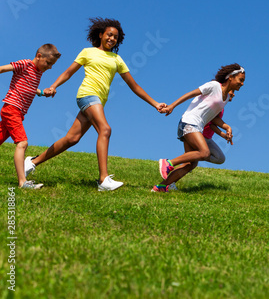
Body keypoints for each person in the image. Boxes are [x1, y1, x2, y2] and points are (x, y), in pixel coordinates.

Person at [24, 17, 166, 191]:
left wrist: (155, 103)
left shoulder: (117, 59)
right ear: (100, 35)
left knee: (72, 139)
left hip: (97, 101)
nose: (111, 39)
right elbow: (69, 72)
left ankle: (31, 162)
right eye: (109, 35)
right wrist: (53, 86)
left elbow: (134, 86)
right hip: (87, 95)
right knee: (105, 129)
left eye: (115, 37)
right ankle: (103, 180)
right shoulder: (87, 52)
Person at [152, 64, 245, 193]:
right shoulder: (214, 86)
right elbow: (191, 94)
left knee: (191, 164)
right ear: (230, 77)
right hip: (189, 122)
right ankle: (168, 162)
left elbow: (214, 118)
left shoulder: (226, 98)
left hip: (197, 126)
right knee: (205, 152)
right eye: (240, 80)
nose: (242, 84)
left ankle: (161, 187)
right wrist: (172, 106)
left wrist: (226, 127)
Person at [0, 44, 61, 189]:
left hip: (18, 113)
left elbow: (29, 87)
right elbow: (2, 69)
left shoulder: (38, 72)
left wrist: (42, 92)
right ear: (39, 56)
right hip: (11, 108)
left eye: (52, 65)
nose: (50, 67)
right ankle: (22, 182)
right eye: (48, 63)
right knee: (22, 143)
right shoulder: (25, 64)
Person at [167, 90, 235, 191]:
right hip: (197, 134)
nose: (233, 94)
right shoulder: (216, 103)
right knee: (191, 163)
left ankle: (167, 182)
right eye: (232, 91)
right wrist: (224, 131)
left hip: (206, 138)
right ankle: (168, 175)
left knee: (216, 159)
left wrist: (224, 135)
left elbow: (212, 123)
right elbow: (211, 122)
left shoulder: (221, 106)